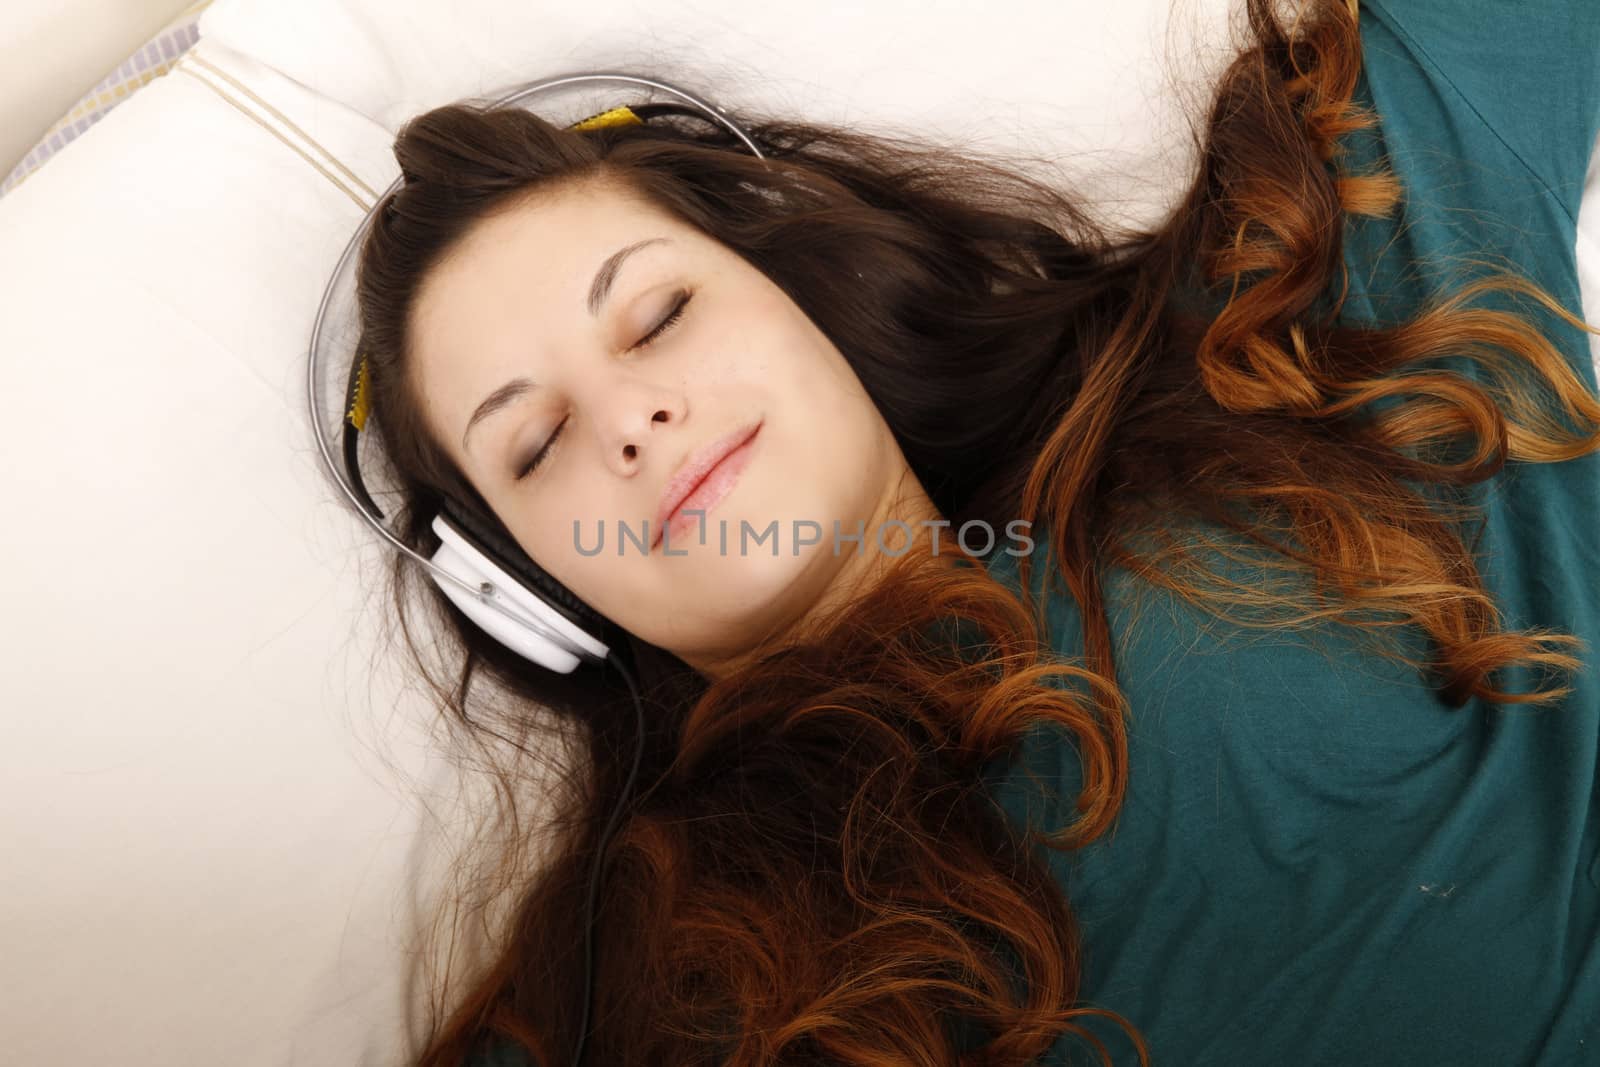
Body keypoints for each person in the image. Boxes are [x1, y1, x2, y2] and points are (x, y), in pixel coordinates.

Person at [345, 0, 1600, 1062]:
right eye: (536, 443)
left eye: (660, 312)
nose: (629, 416)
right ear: (535, 592)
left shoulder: (1261, 340)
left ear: (806, 290)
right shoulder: (633, 970)